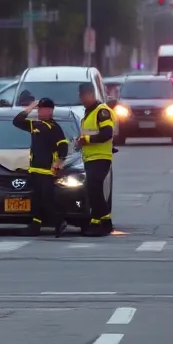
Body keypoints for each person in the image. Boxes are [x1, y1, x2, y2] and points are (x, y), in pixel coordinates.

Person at [12, 97, 69, 237]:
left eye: (41, 108)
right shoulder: (35, 125)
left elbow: (63, 146)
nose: (39, 111)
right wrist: (30, 107)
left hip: (47, 170)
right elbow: (17, 121)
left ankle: (60, 222)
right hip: (35, 169)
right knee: (36, 199)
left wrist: (59, 162)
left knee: (47, 199)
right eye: (38, 108)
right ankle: (35, 226)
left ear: (49, 111)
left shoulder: (54, 127)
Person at [76, 82, 115, 236]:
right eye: (80, 96)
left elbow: (107, 133)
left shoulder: (102, 111)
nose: (82, 99)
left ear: (91, 94)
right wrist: (80, 142)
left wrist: (87, 140)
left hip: (100, 157)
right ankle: (95, 221)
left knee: (95, 189)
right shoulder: (88, 113)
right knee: (92, 190)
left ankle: (105, 223)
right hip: (90, 158)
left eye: (84, 95)